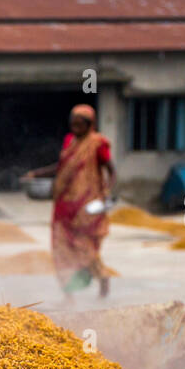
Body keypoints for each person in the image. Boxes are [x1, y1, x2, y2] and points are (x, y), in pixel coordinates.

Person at [24, 104, 117, 297]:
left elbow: (111, 170)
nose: (75, 128)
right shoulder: (69, 141)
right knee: (61, 248)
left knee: (85, 247)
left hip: (86, 205)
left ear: (90, 124)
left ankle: (102, 279)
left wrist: (108, 192)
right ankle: (68, 295)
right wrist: (37, 173)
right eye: (72, 124)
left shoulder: (98, 143)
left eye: (79, 124)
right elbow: (61, 166)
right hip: (64, 204)